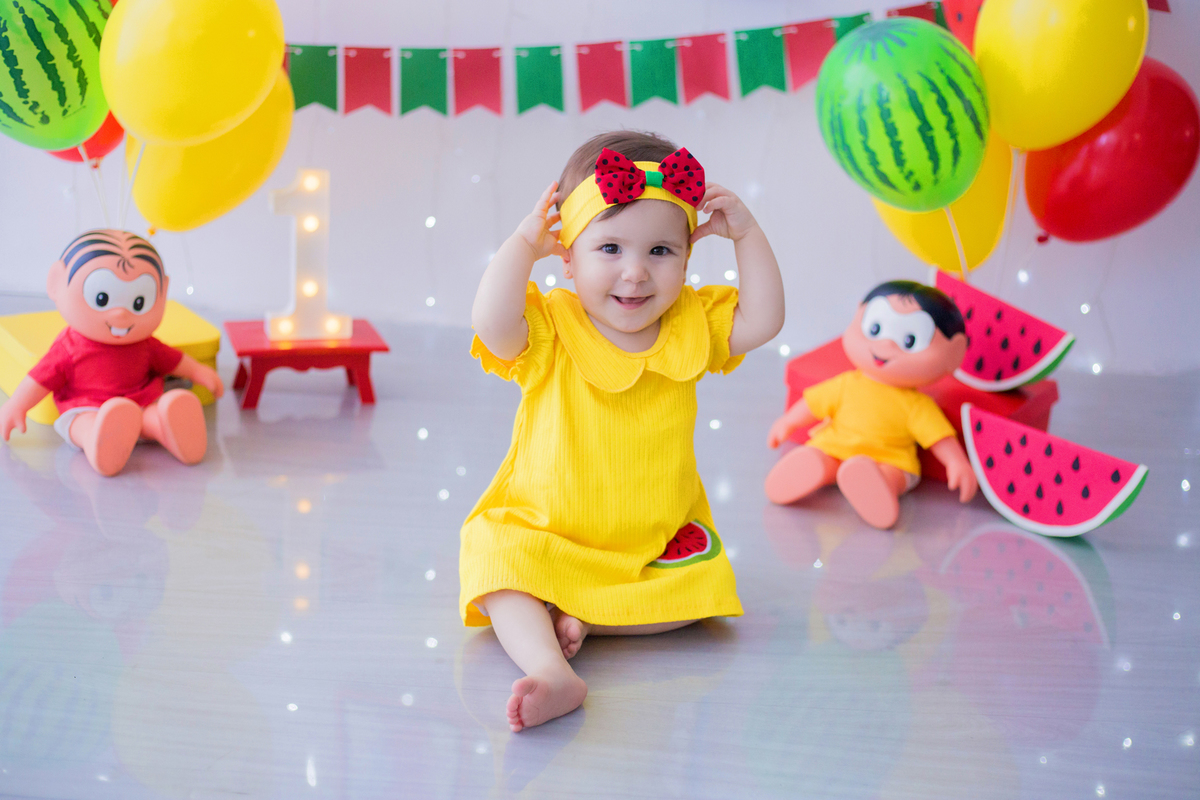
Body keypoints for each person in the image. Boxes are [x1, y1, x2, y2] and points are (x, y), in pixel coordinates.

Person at [462, 131, 784, 732]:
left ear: (688, 259)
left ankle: (570, 611)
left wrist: (748, 234)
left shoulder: (692, 322)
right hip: (548, 528)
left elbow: (764, 319)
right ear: (567, 256)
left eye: (661, 251)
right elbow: (491, 321)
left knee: (699, 598)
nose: (635, 274)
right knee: (493, 558)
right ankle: (553, 669)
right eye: (609, 247)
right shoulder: (550, 326)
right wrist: (519, 246)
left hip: (652, 544)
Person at [0, 230, 224, 476]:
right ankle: (99, 441)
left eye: (138, 303)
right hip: (86, 409)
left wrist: (200, 371)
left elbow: (174, 361)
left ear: (164, 291)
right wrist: (16, 405)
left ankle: (168, 425)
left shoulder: (146, 344)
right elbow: (40, 377)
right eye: (102, 298)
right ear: (56, 284)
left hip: (140, 402)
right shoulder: (69, 347)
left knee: (151, 414)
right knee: (81, 425)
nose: (121, 314)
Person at [765, 280, 977, 529]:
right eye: (875, 328)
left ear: (954, 353)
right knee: (819, 455)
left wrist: (957, 463)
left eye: (909, 341)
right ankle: (813, 467)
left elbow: (939, 437)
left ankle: (879, 488)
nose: (886, 346)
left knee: (893, 476)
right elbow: (812, 404)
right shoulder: (846, 383)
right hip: (836, 447)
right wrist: (788, 421)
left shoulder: (917, 405)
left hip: (890, 461)